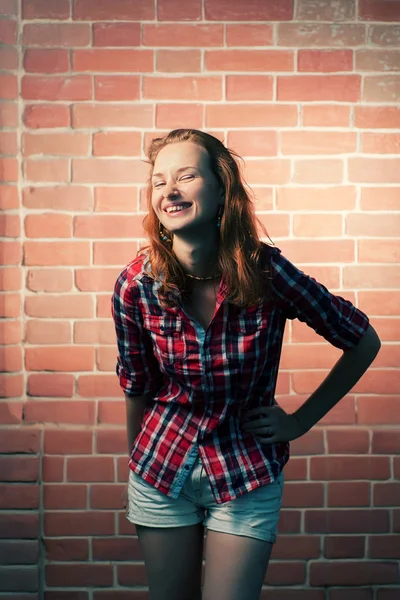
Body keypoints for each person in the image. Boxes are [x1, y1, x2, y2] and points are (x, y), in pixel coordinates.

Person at [111, 129, 381, 600]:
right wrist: (137, 462)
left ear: (221, 191)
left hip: (246, 470)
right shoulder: (136, 285)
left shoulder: (267, 273)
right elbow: (137, 384)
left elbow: (362, 340)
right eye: (158, 182)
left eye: (186, 176)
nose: (168, 191)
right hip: (161, 466)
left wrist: (299, 421)